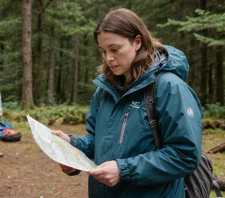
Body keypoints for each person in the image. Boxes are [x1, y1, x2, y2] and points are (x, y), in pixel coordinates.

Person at [51, 8, 202, 198]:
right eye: (103, 51)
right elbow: (97, 141)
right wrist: (72, 144)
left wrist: (124, 170)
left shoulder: (170, 88)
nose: (109, 58)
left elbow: (184, 155)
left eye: (115, 49)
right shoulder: (105, 90)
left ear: (137, 42)